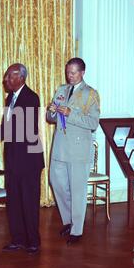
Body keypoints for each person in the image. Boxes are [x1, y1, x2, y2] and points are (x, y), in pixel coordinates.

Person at [0, 63, 44, 255]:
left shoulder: (31, 98)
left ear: (21, 77)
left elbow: (16, 128)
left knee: (29, 201)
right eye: (6, 76)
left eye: (9, 76)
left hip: (29, 159)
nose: (5, 79)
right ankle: (18, 239)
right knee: (14, 200)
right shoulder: (10, 99)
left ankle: (33, 241)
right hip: (14, 158)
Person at [46, 57, 100, 245]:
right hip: (60, 148)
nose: (69, 75)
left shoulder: (90, 94)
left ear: (82, 72)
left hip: (78, 150)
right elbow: (51, 117)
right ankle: (69, 221)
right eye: (68, 72)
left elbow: (93, 123)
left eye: (73, 72)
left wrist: (71, 114)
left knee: (77, 190)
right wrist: (52, 111)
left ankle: (77, 231)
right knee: (57, 182)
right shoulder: (61, 90)